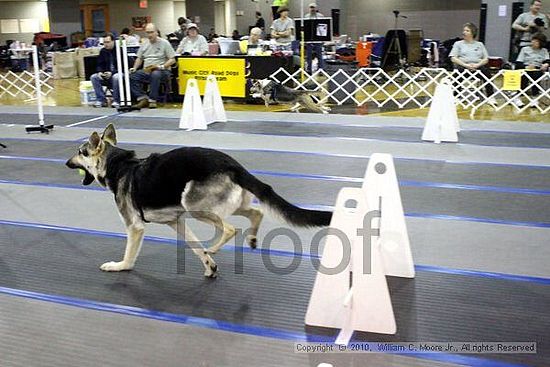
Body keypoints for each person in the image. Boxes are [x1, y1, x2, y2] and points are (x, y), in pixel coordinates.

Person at [129, 23, 176, 109]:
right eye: (147, 32)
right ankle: (142, 98)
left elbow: (172, 59)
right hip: (147, 70)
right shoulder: (144, 44)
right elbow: (139, 58)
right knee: (132, 76)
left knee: (155, 74)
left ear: (156, 32)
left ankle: (152, 100)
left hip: (162, 70)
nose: (149, 35)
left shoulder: (165, 43)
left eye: (151, 32)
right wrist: (134, 68)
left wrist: (162, 66)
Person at [449, 22, 496, 106]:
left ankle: (490, 97)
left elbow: (486, 59)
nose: (464, 32)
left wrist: (477, 65)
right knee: (457, 73)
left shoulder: (480, 44)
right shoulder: (458, 44)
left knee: (487, 73)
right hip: (463, 66)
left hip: (477, 67)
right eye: (464, 30)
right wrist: (465, 65)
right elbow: (453, 58)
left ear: (472, 33)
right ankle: (456, 96)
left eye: (467, 31)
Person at [512, 32, 549, 108]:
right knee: (524, 76)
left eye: (536, 41)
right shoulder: (524, 49)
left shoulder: (544, 51)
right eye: (533, 40)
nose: (533, 42)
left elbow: (547, 60)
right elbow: (518, 62)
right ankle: (517, 97)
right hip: (525, 68)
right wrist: (526, 67)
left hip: (538, 69)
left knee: (536, 75)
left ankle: (535, 97)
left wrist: (546, 64)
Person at [90, 33, 121, 108]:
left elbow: (123, 67)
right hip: (107, 75)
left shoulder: (120, 50)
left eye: (108, 42)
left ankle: (117, 100)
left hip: (118, 73)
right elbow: (99, 64)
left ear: (113, 41)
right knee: (94, 77)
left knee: (116, 77)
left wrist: (112, 73)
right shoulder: (103, 51)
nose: (105, 44)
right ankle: (101, 100)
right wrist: (100, 72)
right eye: (104, 42)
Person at [303, 3, 325, 73]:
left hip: (318, 39)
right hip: (309, 39)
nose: (312, 9)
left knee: (319, 55)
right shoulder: (306, 16)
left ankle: (321, 69)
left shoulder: (321, 16)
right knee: (309, 55)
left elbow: (323, 27)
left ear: (316, 8)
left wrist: (323, 38)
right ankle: (309, 69)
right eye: (311, 8)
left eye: (313, 8)